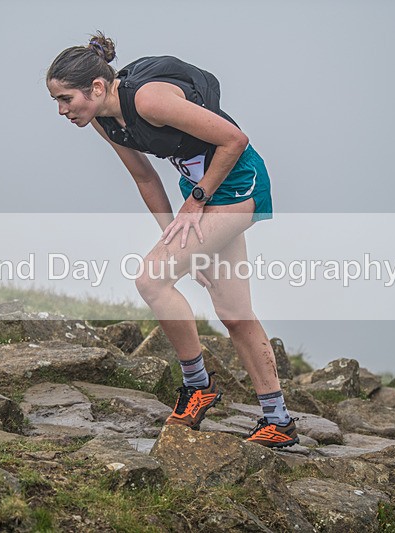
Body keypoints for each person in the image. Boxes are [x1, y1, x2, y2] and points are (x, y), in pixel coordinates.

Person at [46, 32, 299, 448]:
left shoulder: (148, 100)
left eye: (65, 99)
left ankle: (197, 387)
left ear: (95, 87)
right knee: (234, 313)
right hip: (199, 195)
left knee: (151, 279)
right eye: (56, 101)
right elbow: (145, 176)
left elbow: (235, 140)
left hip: (236, 185)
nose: (61, 110)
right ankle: (279, 420)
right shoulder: (105, 121)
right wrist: (175, 235)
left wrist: (195, 204)